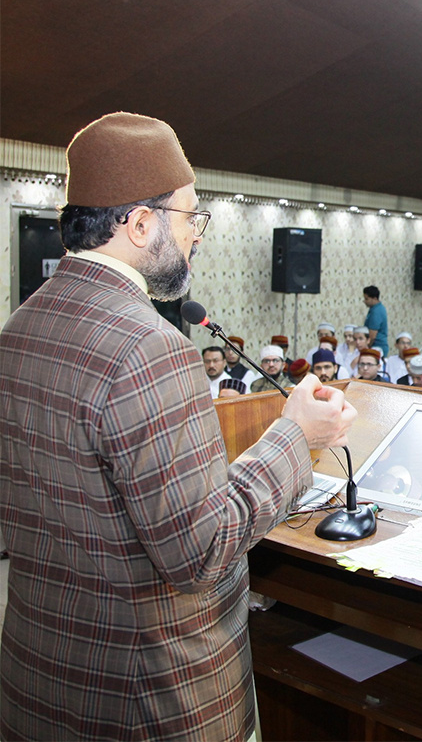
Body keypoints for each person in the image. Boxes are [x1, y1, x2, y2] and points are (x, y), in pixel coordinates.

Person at [0, 111, 357, 741]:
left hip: (42, 681)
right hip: (146, 702)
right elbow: (200, 550)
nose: (197, 237)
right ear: (140, 224)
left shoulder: (22, 326)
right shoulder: (150, 347)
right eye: (191, 219)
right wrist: (294, 435)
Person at [363, 285, 388, 353]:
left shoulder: (376, 312)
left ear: (374, 298)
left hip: (377, 347)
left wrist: (366, 348)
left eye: (366, 299)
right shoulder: (375, 308)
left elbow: (372, 336)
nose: (364, 301)